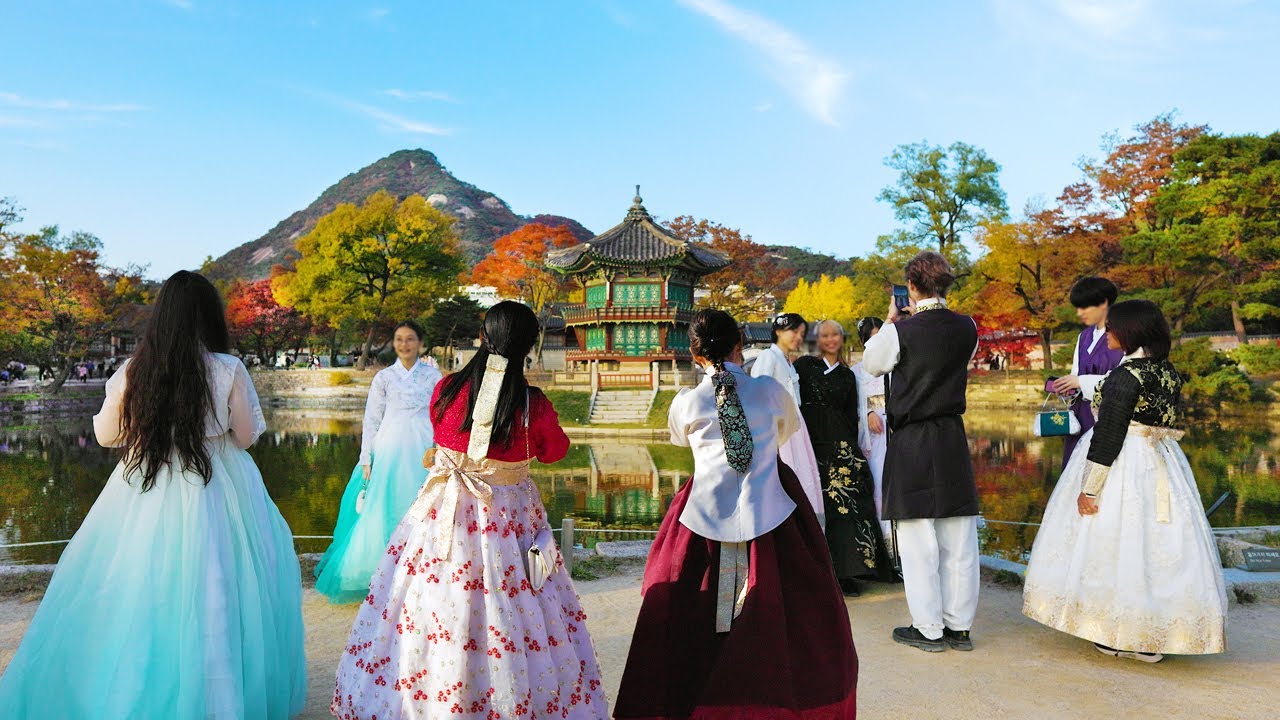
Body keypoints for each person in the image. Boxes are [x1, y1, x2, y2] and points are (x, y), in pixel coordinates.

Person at [0, 270, 306, 718]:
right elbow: (244, 435)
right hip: (219, 485)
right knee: (222, 584)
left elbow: (106, 436)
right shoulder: (228, 368)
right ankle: (221, 697)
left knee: (137, 584)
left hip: (144, 485)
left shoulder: (133, 369)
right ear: (208, 316)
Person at [332, 301, 607, 719]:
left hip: (444, 512)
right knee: (514, 604)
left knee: (430, 600)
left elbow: (444, 430)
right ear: (529, 347)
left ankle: (428, 695)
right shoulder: (531, 404)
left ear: (482, 336)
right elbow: (555, 451)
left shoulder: (445, 389)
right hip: (508, 517)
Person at [614, 309, 858, 720]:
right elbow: (784, 433)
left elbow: (682, 442)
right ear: (739, 345)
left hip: (701, 516)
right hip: (773, 512)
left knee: (688, 607)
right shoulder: (770, 390)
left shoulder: (687, 402)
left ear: (694, 356)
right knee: (792, 610)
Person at [1023, 300, 1227, 662]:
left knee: (1116, 542)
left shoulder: (1124, 376)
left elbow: (1108, 437)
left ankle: (1118, 634)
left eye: (1113, 328)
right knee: (1156, 545)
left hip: (1125, 463)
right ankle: (1155, 634)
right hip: (1161, 461)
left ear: (1128, 332)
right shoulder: (1167, 372)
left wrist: (1089, 489)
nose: (1108, 334)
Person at [862, 251, 980, 653]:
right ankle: (959, 626)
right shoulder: (969, 327)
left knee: (916, 538)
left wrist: (893, 321)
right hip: (950, 433)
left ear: (910, 286)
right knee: (958, 534)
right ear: (947, 285)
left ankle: (928, 626)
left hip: (912, 437)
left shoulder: (900, 332)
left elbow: (871, 365)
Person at [314, 320, 443, 603]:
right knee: (383, 506)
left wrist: (439, 448)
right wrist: (366, 457)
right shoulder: (384, 377)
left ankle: (422, 574)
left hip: (423, 445)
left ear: (419, 343)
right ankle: (380, 575)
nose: (404, 344)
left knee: (421, 505)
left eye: (410, 339)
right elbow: (371, 419)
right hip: (390, 445)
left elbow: (439, 415)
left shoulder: (433, 376)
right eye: (399, 339)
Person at [795, 319, 894, 596]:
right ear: (816, 339)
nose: (830, 340)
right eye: (824, 335)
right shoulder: (803, 367)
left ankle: (853, 570)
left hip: (842, 445)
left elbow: (854, 415)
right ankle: (825, 570)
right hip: (812, 444)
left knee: (851, 503)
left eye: (835, 335)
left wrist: (854, 446)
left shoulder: (848, 376)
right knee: (823, 506)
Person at [749, 312, 825, 525]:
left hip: (795, 427)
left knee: (801, 476)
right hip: (778, 428)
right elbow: (758, 395)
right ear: (778, 332)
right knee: (785, 477)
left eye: (802, 334)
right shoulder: (768, 357)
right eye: (794, 332)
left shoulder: (788, 361)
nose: (798, 338)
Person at [1047, 277, 1124, 467]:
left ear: (1104, 302)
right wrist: (1067, 387)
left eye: (1084, 307)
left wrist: (1080, 382)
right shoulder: (1084, 336)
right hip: (1082, 415)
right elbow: (1076, 372)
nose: (1079, 313)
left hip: (1109, 416)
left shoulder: (1124, 334)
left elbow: (1125, 381)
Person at [852, 317, 890, 541]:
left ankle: (900, 539)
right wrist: (867, 414)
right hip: (873, 432)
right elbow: (851, 403)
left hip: (896, 427)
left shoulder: (895, 366)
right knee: (877, 483)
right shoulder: (856, 371)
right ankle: (880, 540)